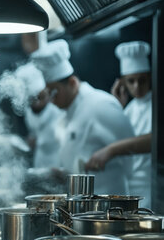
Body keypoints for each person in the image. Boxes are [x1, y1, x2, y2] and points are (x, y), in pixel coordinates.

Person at [31, 39, 134, 195]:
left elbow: (132, 157)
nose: (51, 101)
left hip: (110, 205)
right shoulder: (68, 113)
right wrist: (64, 174)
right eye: (48, 94)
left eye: (54, 92)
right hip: (85, 206)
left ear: (72, 83)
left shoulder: (100, 105)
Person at [86, 41, 152, 207]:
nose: (137, 87)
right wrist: (118, 108)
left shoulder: (157, 105)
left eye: (142, 80)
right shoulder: (129, 109)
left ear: (150, 78)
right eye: (131, 81)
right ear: (122, 83)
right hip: (130, 188)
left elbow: (154, 139)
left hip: (151, 187)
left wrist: (112, 150)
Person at [16, 62, 64, 168]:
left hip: (59, 164)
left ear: (47, 92)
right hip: (39, 162)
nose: (36, 102)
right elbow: (34, 133)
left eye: (40, 97)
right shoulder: (29, 111)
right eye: (32, 99)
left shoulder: (59, 109)